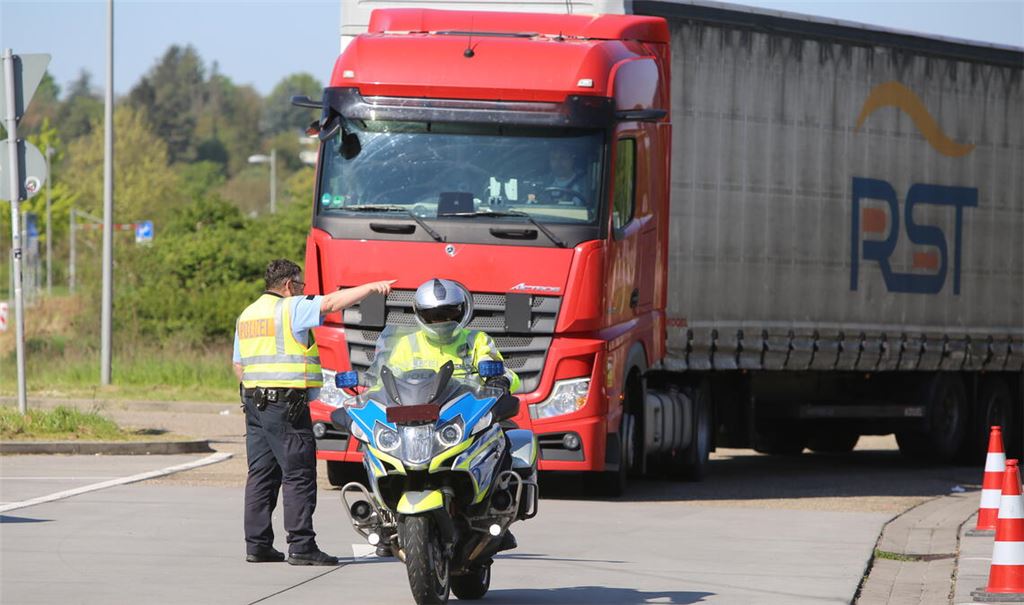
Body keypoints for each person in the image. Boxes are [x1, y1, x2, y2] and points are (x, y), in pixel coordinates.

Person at [233, 259, 393, 565]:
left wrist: (258, 392)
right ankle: (301, 546)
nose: (303, 290)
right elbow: (332, 302)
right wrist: (371, 288)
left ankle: (257, 544)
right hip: (284, 404)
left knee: (261, 474)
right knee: (299, 473)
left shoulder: (248, 314)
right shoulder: (290, 308)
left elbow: (238, 364)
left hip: (254, 402)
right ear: (290, 285)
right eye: (301, 285)